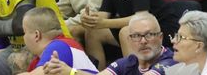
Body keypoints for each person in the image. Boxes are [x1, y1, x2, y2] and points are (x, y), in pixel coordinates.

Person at [42, 13, 176, 75]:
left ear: (160, 37)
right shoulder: (130, 62)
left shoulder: (170, 62)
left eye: (149, 35)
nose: (143, 41)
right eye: (136, 36)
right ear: (130, 41)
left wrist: (72, 72)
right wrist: (67, 71)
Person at [23, 7, 98, 74]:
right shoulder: (38, 60)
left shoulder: (59, 46)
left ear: (36, 35)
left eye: (24, 32)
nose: (23, 37)